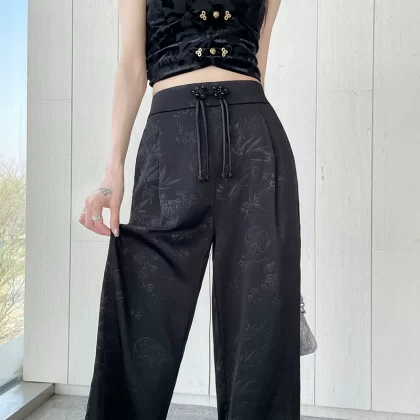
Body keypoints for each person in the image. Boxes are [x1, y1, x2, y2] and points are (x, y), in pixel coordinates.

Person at [81, 0, 301, 418]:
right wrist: (112, 173)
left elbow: (258, 64)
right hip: (170, 140)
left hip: (254, 139)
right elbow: (131, 65)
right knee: (143, 305)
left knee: (262, 311)